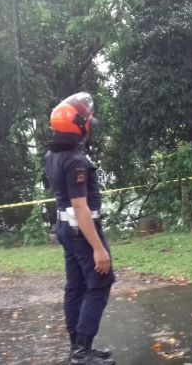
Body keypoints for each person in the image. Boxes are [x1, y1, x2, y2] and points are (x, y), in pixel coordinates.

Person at [43, 92, 116, 365]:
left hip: (65, 228)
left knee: (75, 287)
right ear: (79, 126)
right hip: (80, 229)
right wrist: (98, 247)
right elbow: (80, 206)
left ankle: (78, 348)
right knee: (100, 283)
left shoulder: (52, 155)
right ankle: (83, 351)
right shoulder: (75, 160)